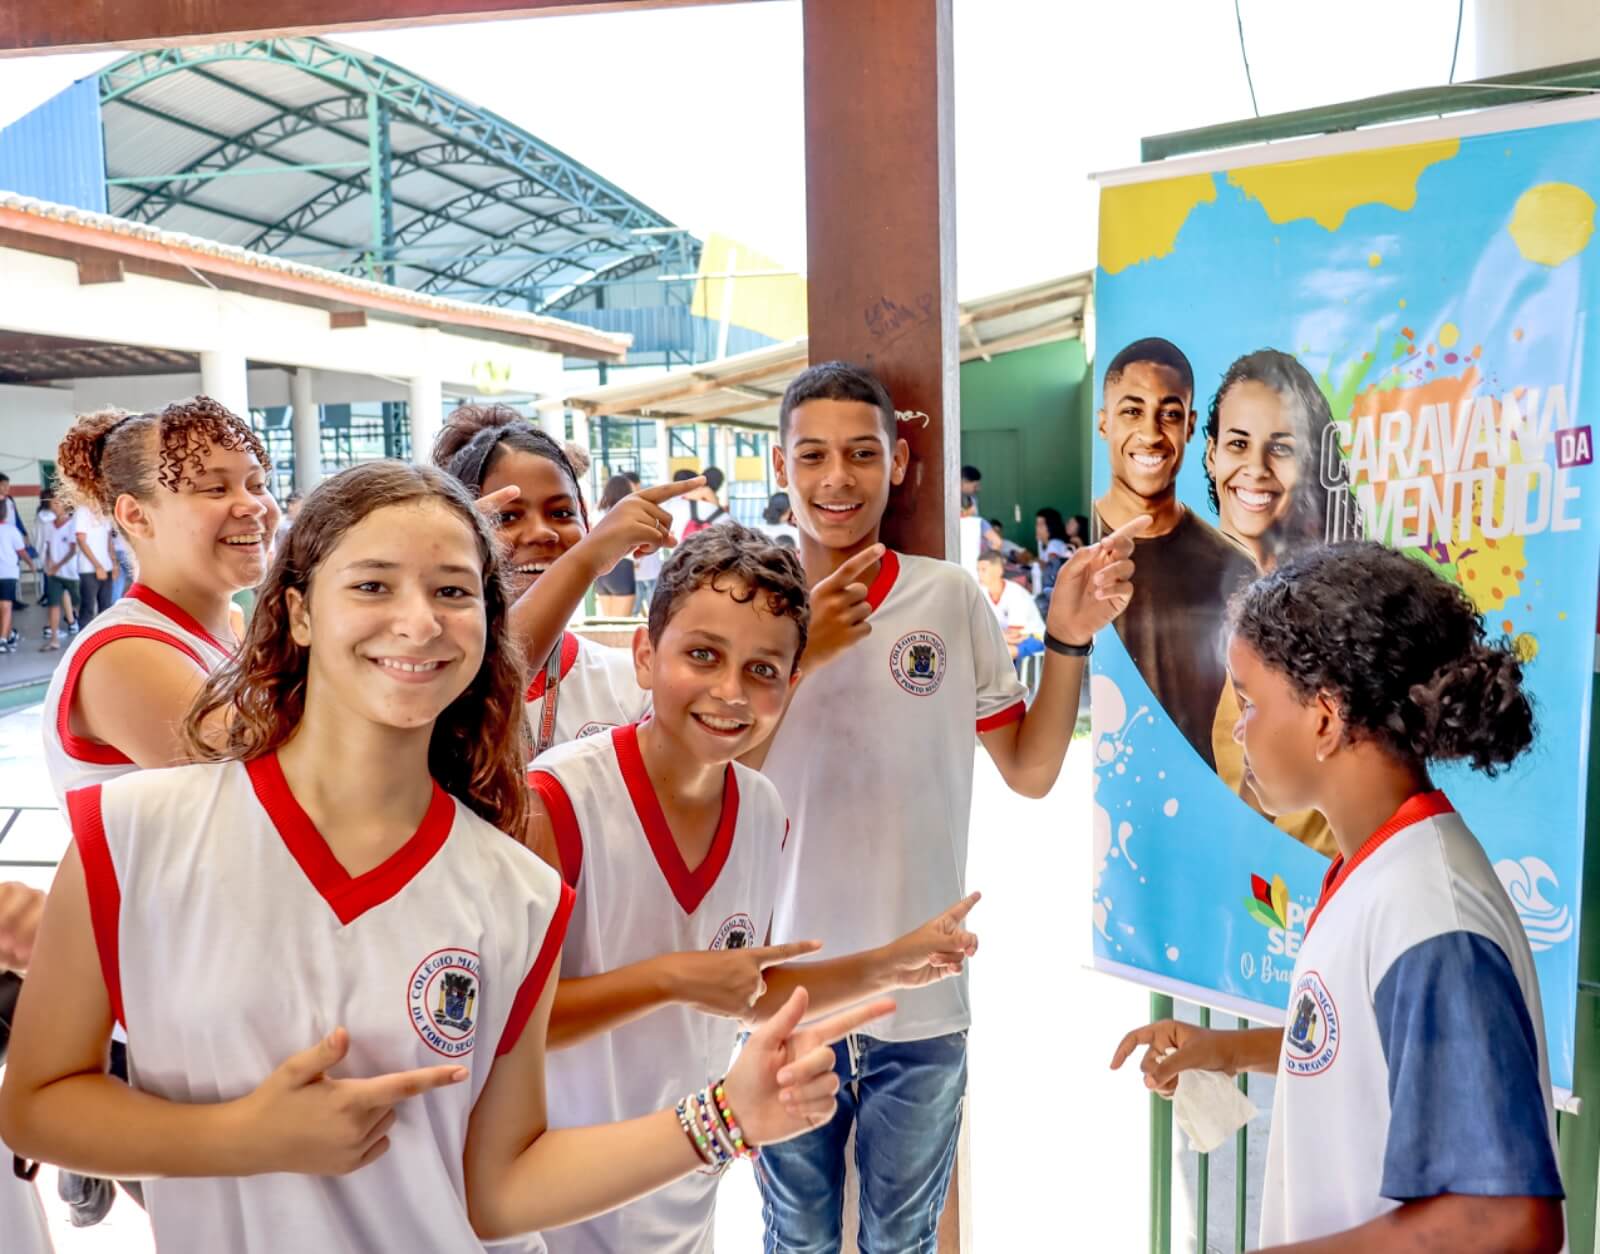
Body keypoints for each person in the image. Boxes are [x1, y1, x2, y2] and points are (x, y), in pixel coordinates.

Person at [0, 460, 891, 1253]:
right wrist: (242, 1137)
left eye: (454, 592)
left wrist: (727, 1116)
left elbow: (502, 1192)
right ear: (300, 611)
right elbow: (38, 1105)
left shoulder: (515, 890)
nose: (418, 621)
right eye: (374, 585)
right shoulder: (133, 833)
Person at [757, 361, 1146, 1253]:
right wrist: (800, 654)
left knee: (903, 1241)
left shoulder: (947, 595)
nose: (837, 478)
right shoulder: (751, 607)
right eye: (812, 455)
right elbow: (702, 778)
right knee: (797, 1241)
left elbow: (1031, 770)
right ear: (781, 466)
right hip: (783, 1001)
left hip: (924, 1006)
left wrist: (1068, 638)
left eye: (862, 453)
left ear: (899, 464)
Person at [529, 524, 980, 1254]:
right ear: (644, 656)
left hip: (682, 1205)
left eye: (763, 669)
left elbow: (742, 989)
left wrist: (890, 964)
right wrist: (671, 979)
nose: (730, 691)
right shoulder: (558, 801)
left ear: (793, 683)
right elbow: (514, 1023)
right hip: (557, 1217)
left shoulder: (761, 811)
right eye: (702, 655)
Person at [1111, 542, 1564, 1253]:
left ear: (1324, 717)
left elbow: (1504, 1220)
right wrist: (1227, 1051)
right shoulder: (1374, 867)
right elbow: (1367, 1050)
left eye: (1249, 701)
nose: (1238, 727)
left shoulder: (1427, 913)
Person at [432, 406, 702, 754]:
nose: (541, 532)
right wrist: (587, 559)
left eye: (561, 513)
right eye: (506, 517)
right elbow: (491, 683)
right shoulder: (426, 673)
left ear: (587, 523)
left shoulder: (632, 687)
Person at [1094, 337, 1255, 769]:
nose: (1151, 434)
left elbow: (1253, 713)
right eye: (1132, 411)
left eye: (1169, 414)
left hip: (1199, 794)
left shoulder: (1233, 566)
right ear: (1104, 423)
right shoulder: (1081, 553)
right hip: (1104, 790)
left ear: (1190, 425)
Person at [1204, 348, 1336, 573]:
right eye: (1239, 444)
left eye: (1280, 448)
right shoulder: (1164, 580)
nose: (1257, 469)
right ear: (1212, 455)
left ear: (1311, 463)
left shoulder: (1341, 585)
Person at [976, 549, 1045, 662]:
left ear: (999, 570)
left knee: (1001, 652)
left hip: (1033, 638)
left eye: (984, 570)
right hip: (1005, 640)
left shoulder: (1015, 593)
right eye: (978, 570)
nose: (979, 574)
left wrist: (991, 636)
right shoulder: (982, 593)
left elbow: (1014, 635)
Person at [37, 495, 80, 650]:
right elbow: (48, 546)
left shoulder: (72, 524)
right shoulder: (49, 525)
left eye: (56, 504)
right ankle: (54, 639)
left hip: (71, 572)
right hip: (54, 574)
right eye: (52, 504)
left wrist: (58, 565)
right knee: (53, 604)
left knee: (78, 603)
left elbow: (73, 549)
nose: (53, 506)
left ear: (65, 505)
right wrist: (49, 562)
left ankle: (82, 634)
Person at [594, 475, 640, 617]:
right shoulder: (629, 512)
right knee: (622, 623)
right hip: (622, 567)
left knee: (608, 622)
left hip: (600, 571)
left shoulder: (597, 513)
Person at [0, 500, 36, 654]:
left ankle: (8, 635)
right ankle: (3, 640)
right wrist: (31, 564)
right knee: (6, 606)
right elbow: (21, 551)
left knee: (2, 607)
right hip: (8, 573)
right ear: (5, 512)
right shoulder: (11, 530)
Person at [74, 502, 116, 625]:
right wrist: (97, 566)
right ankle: (85, 636)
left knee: (106, 608)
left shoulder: (105, 511)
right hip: (89, 568)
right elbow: (81, 540)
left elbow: (109, 540)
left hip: (106, 566)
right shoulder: (82, 511)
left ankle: (105, 636)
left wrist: (114, 563)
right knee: (88, 608)